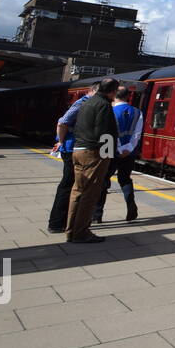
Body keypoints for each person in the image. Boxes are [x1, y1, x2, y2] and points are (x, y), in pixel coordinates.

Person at [65, 78, 119, 244]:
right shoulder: (104, 105)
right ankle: (81, 232)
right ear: (112, 91)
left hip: (79, 149)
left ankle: (71, 230)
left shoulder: (87, 103)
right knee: (90, 194)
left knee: (77, 192)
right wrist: (108, 156)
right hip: (93, 153)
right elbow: (105, 133)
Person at [47, 84, 97, 233]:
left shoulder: (86, 103)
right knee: (68, 185)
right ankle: (56, 223)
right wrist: (61, 142)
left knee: (72, 185)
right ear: (92, 91)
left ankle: (64, 221)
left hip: (75, 148)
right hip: (71, 149)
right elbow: (62, 122)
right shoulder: (82, 103)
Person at [93, 85, 143, 223]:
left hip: (110, 151)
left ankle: (97, 215)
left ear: (115, 96)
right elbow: (137, 133)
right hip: (129, 153)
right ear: (128, 96)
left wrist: (118, 149)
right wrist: (128, 148)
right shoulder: (138, 112)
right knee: (125, 179)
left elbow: (110, 133)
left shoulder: (110, 111)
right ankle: (131, 208)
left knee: (103, 180)